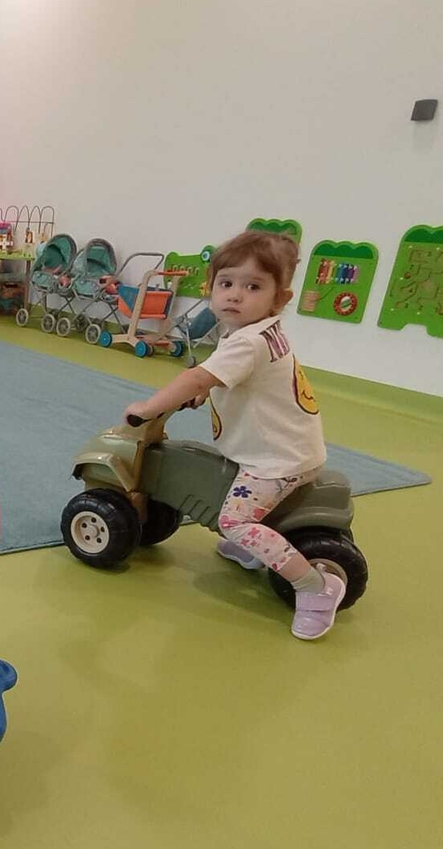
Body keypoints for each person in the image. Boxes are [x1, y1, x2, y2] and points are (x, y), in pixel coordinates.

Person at [123, 230, 344, 640]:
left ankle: (315, 587)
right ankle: (254, 549)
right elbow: (230, 380)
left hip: (276, 461)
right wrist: (207, 391)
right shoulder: (255, 332)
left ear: (280, 299)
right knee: (233, 498)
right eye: (226, 283)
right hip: (284, 447)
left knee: (234, 520)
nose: (235, 295)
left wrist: (149, 408)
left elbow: (196, 377)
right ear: (212, 286)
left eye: (253, 287)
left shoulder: (248, 343)